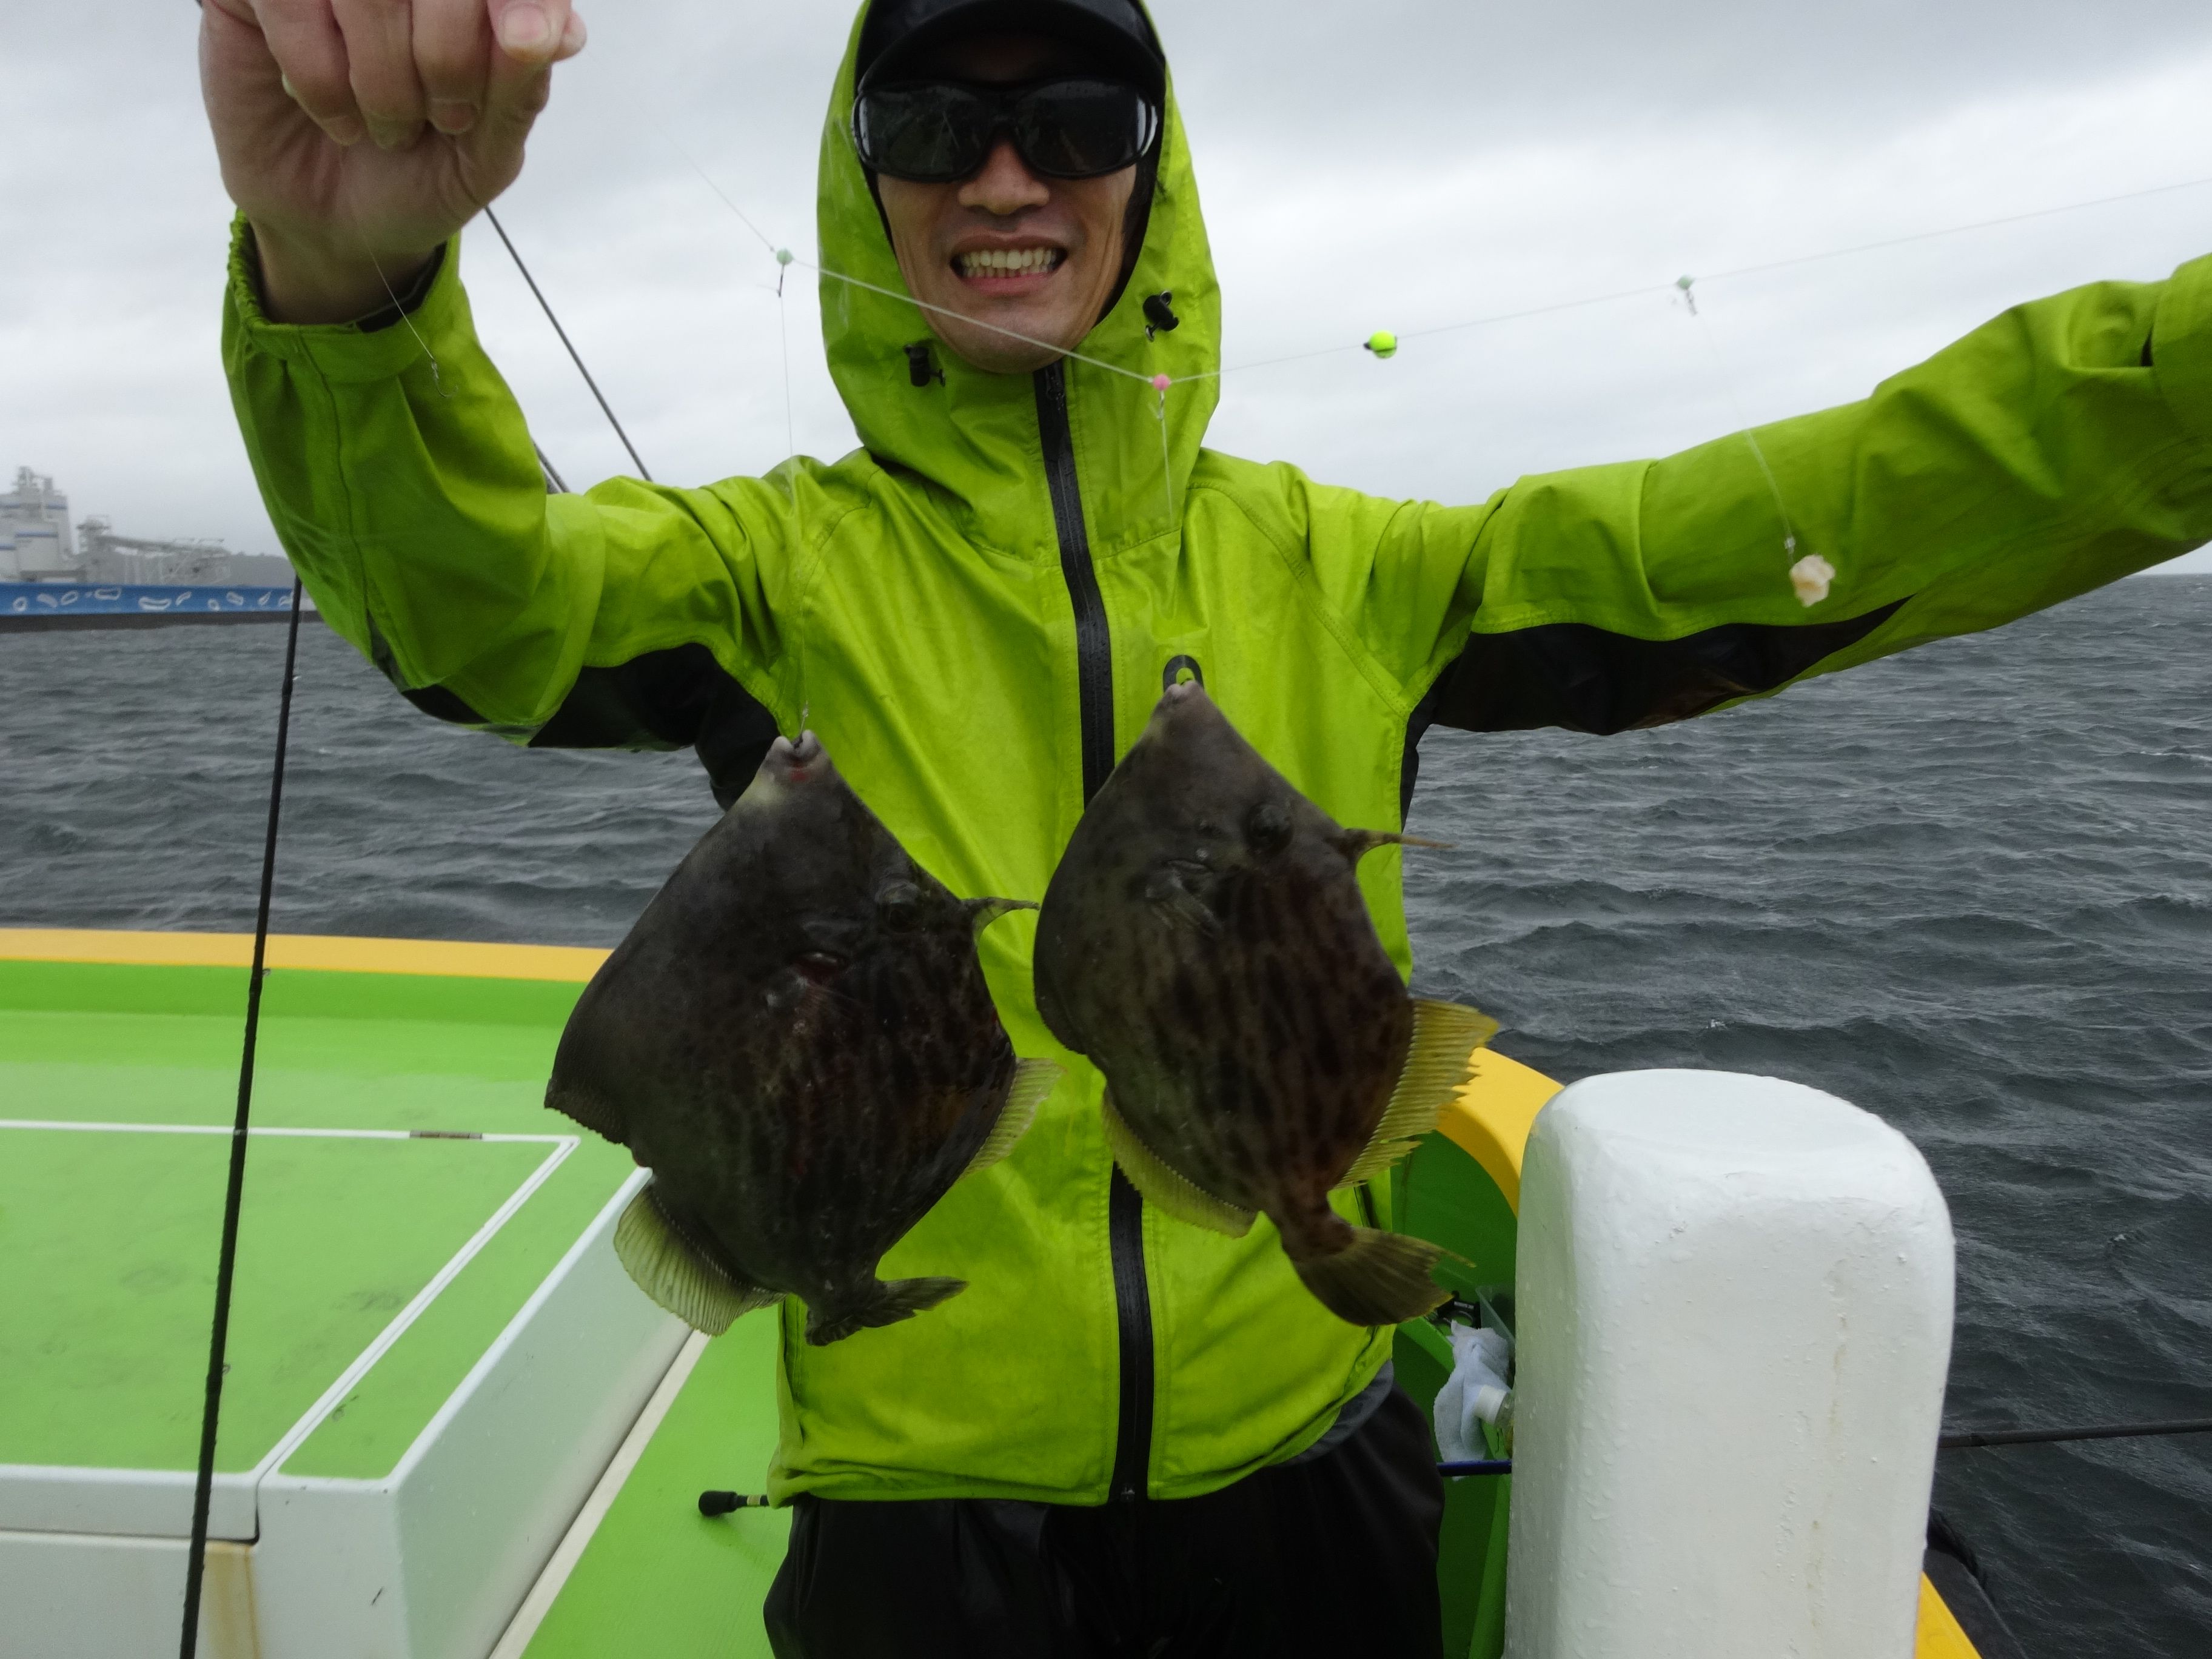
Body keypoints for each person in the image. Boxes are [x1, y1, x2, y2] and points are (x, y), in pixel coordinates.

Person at [201, 0, 2212, 1652]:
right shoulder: (761, 569)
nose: (1007, 175)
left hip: (1303, 1465)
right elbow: (478, 597)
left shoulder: (1356, 569)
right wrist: (346, 284)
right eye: (934, 120)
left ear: (1152, 174)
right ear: (862, 172)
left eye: (1078, 116)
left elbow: (1796, 515)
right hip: (920, 1510)